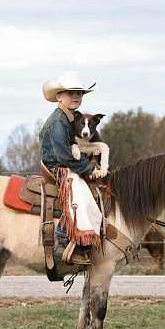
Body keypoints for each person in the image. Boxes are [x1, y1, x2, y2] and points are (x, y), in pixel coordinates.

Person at [39, 71, 103, 265]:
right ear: (59, 96)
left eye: (79, 93)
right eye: (70, 93)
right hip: (58, 166)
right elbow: (64, 156)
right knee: (78, 192)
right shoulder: (58, 121)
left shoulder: (70, 118)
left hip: (66, 163)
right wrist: (89, 169)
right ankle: (64, 237)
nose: (76, 97)